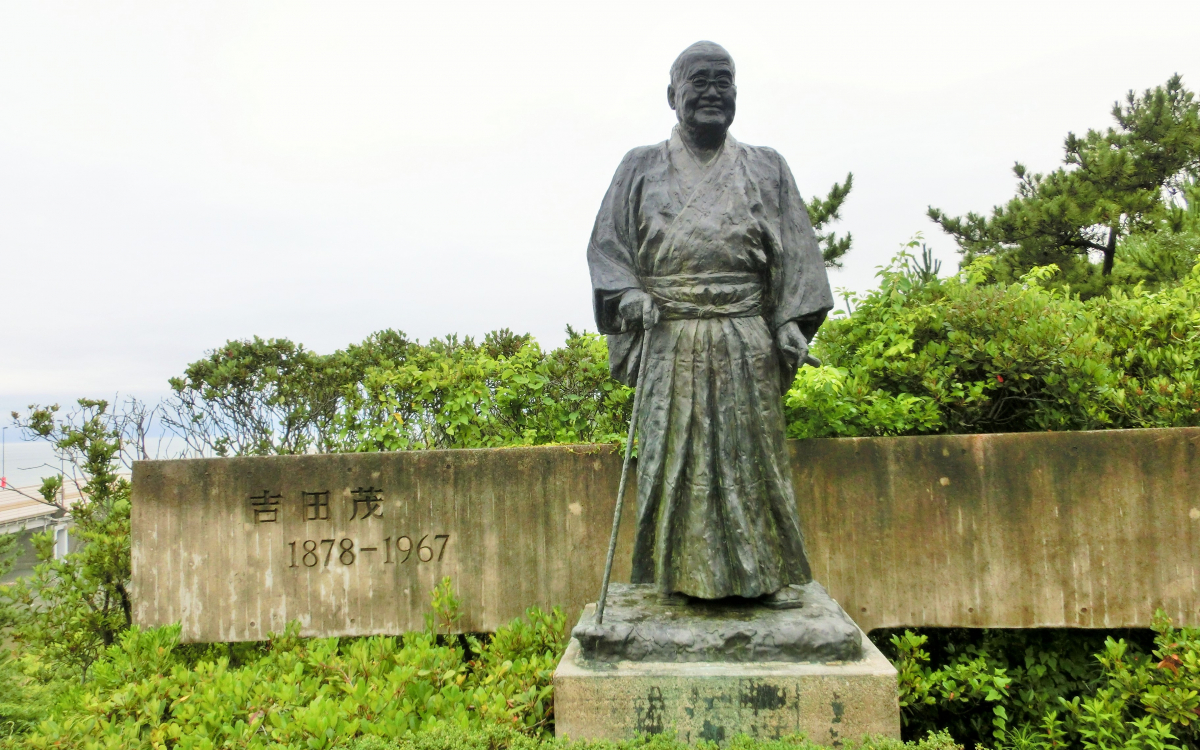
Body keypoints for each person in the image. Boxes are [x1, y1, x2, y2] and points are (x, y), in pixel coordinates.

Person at [587, 41, 833, 607]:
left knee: (753, 462)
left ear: (737, 94)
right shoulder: (639, 167)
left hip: (744, 336)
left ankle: (761, 576)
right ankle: (674, 579)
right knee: (671, 462)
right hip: (668, 337)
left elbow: (796, 261)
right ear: (672, 93)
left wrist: (789, 324)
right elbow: (608, 249)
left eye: (724, 81)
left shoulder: (767, 166)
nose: (712, 92)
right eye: (698, 81)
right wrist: (627, 297)